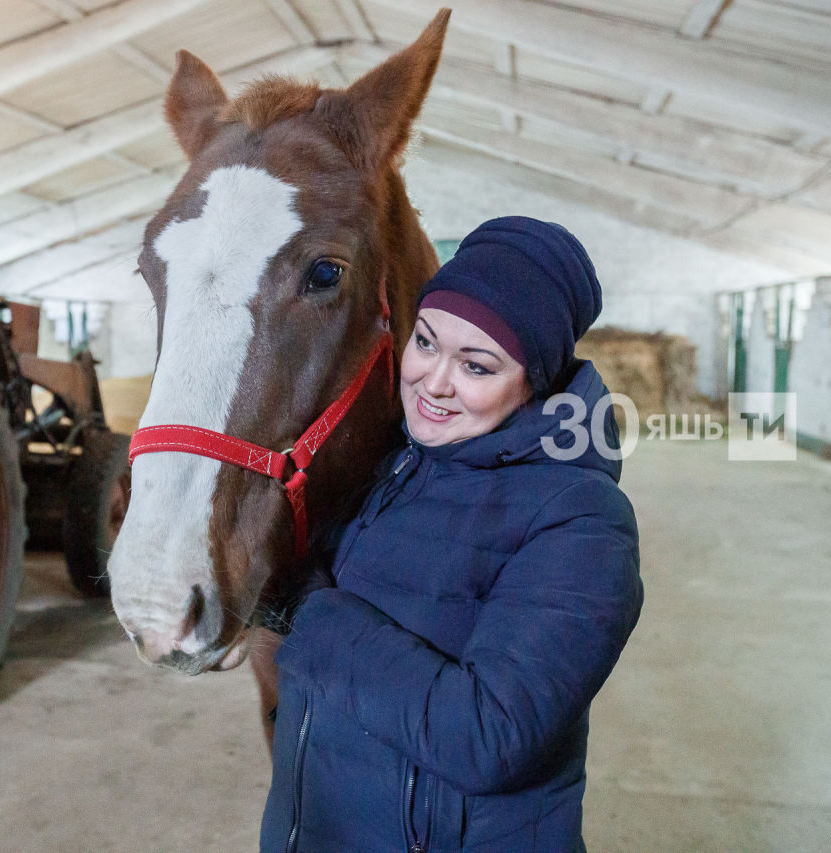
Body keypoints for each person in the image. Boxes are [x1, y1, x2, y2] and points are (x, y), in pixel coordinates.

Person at [260, 216, 644, 852]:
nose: (434, 382)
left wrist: (307, 613)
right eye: (427, 342)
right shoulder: (392, 464)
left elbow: (485, 738)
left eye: (478, 366)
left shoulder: (581, 520)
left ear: (535, 382)